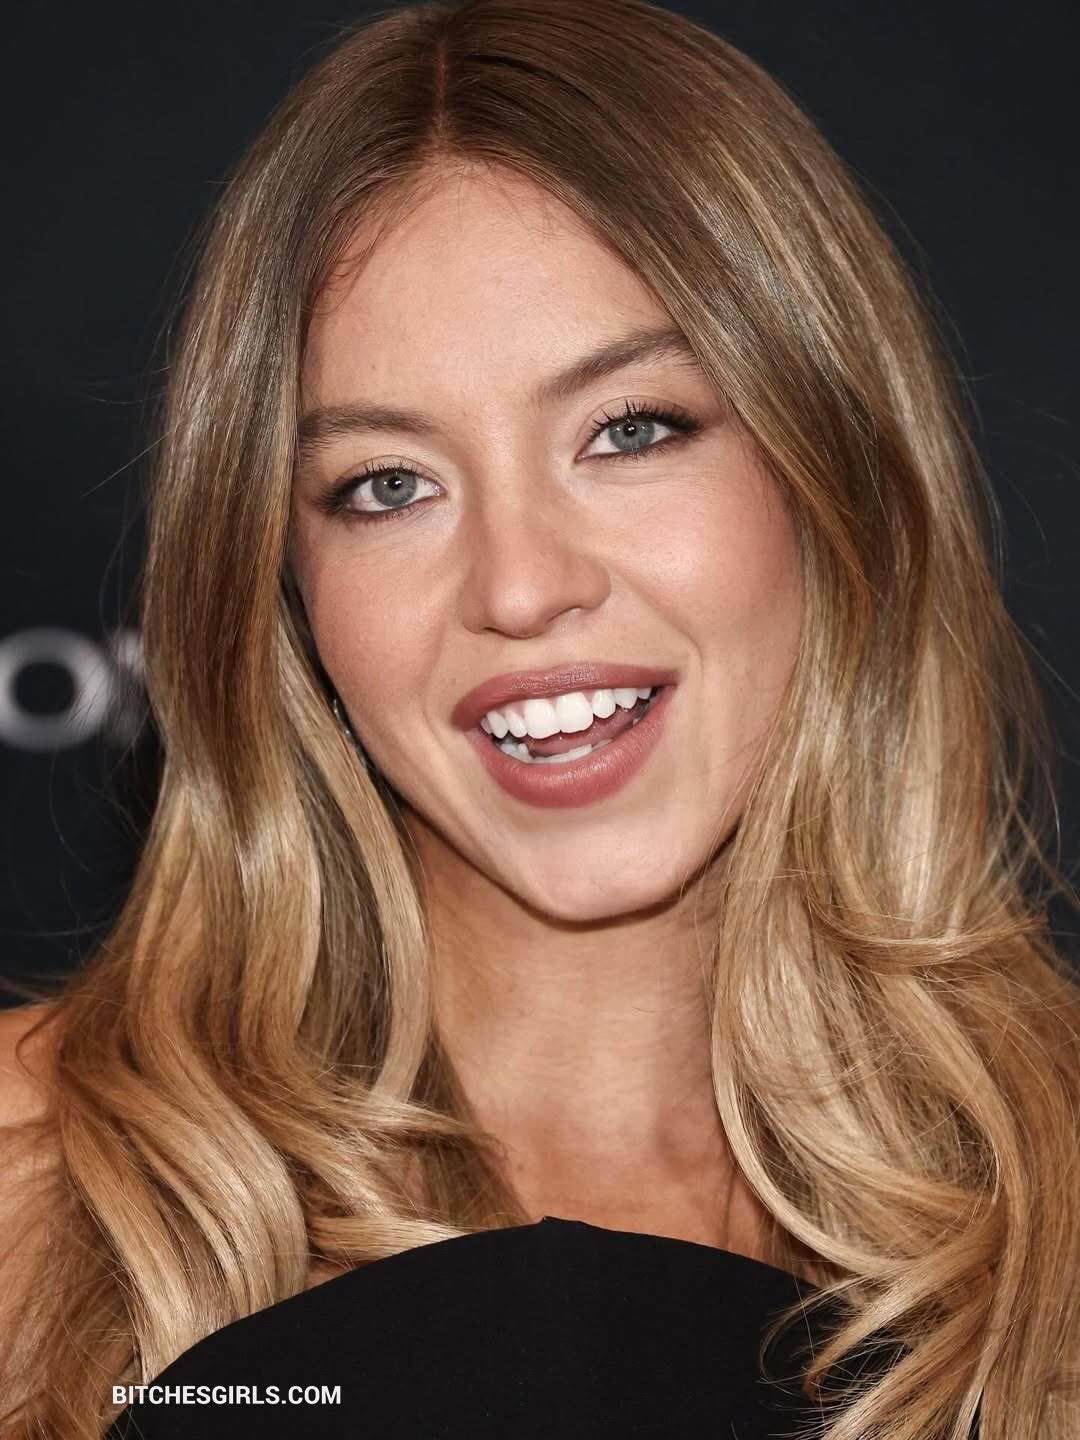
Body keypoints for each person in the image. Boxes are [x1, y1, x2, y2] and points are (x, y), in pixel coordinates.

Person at [1, 0, 1077, 1435]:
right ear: (282, 586)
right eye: (388, 485)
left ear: (834, 470)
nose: (519, 586)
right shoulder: (29, 1191)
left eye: (629, 430)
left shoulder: (1054, 1203)